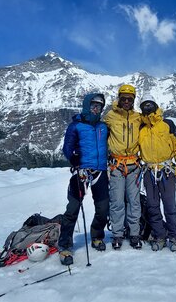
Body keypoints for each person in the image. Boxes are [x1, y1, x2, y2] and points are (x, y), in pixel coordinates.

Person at [58, 93, 109, 265]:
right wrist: (74, 158)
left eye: (99, 106)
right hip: (81, 171)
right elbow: (67, 147)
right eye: (93, 105)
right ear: (87, 106)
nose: (96, 109)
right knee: (73, 208)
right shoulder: (76, 126)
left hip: (100, 171)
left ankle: (97, 236)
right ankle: (64, 245)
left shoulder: (103, 126)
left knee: (103, 208)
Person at [138, 94, 176, 252]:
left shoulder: (167, 124)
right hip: (149, 171)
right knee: (152, 206)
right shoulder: (141, 128)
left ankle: (174, 236)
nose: (147, 108)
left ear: (155, 105)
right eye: (144, 105)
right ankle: (159, 236)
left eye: (150, 104)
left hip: (166, 171)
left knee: (170, 206)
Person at [103, 84, 142, 250]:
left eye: (129, 99)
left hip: (134, 165)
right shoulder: (110, 116)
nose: (126, 101)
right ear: (119, 98)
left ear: (133, 100)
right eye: (123, 98)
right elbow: (100, 133)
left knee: (134, 202)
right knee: (117, 202)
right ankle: (117, 234)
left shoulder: (138, 117)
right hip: (116, 166)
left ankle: (134, 234)